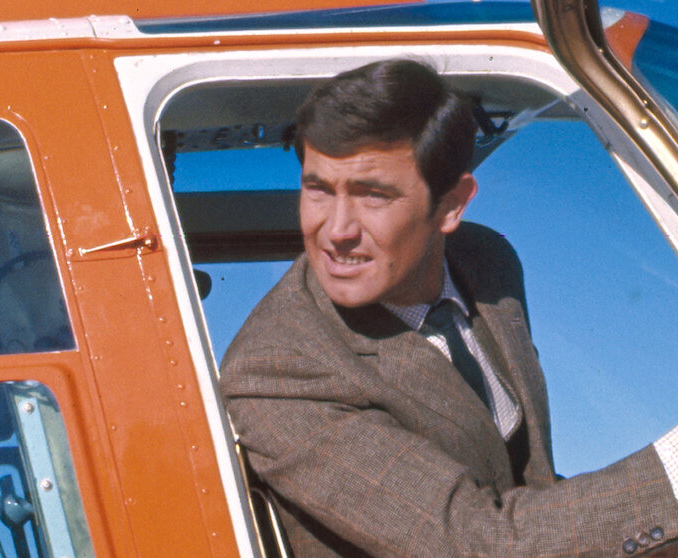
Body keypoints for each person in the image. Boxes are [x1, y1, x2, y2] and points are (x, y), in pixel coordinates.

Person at [220, 59, 678, 557]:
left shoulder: (486, 261)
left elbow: (526, 484)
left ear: (453, 205)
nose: (336, 231)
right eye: (319, 190)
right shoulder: (278, 369)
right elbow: (478, 542)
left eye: (373, 196)